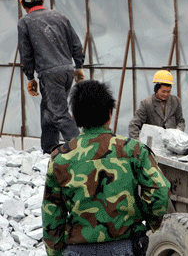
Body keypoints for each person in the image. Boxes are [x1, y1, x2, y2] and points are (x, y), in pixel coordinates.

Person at [42, 80, 171, 256]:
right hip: (124, 247)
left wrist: (55, 252)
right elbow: (160, 189)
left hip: (78, 249)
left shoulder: (61, 156)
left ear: (75, 116)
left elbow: (52, 211)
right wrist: (150, 222)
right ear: (109, 114)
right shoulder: (133, 150)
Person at [17, 0, 85, 154]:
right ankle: (49, 148)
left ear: (23, 3)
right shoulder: (60, 16)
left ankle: (82, 150)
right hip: (67, 70)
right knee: (48, 108)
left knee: (59, 112)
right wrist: (78, 66)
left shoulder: (25, 22)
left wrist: (30, 77)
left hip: (50, 73)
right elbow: (76, 44)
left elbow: (26, 53)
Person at [129, 70, 185, 139]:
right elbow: (134, 125)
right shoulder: (146, 103)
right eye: (163, 91)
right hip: (153, 143)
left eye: (168, 91)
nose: (166, 94)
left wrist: (177, 134)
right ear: (156, 90)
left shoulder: (175, 101)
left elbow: (180, 121)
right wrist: (138, 143)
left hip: (172, 142)